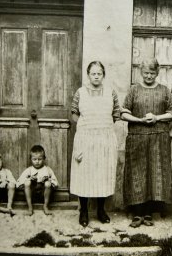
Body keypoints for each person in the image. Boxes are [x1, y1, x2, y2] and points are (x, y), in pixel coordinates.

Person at [121, 58, 172, 228]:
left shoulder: (165, 91)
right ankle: (137, 214)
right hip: (137, 137)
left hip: (158, 138)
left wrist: (157, 117)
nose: (149, 76)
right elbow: (123, 113)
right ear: (140, 72)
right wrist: (138, 120)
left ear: (157, 73)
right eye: (146, 73)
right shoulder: (133, 91)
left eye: (152, 73)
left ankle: (149, 213)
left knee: (155, 174)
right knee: (137, 174)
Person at [70, 61, 120, 227]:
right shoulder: (80, 92)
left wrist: (103, 127)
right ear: (88, 75)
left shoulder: (110, 93)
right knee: (84, 175)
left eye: (99, 73)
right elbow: (74, 113)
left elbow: (116, 114)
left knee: (103, 175)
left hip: (105, 139)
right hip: (85, 138)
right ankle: (84, 211)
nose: (96, 76)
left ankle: (100, 210)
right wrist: (84, 127)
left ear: (103, 75)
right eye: (93, 73)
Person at [16, 145, 58, 215]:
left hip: (43, 195)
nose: (37, 162)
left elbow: (56, 184)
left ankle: (46, 206)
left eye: (40, 159)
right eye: (34, 159)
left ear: (44, 159)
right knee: (27, 183)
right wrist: (29, 179)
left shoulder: (47, 169)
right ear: (31, 159)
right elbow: (18, 184)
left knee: (47, 183)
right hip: (32, 195)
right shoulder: (29, 170)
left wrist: (48, 180)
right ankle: (30, 208)